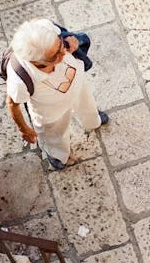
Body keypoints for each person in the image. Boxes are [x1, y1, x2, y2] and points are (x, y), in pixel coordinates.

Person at [6, 19, 108, 170]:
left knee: (88, 105)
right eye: (55, 55)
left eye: (60, 44)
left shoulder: (45, 29)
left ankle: (93, 121)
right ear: (36, 62)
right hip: (51, 112)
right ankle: (58, 156)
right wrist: (23, 128)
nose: (64, 52)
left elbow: (64, 37)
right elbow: (12, 103)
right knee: (55, 135)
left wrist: (68, 42)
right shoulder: (19, 79)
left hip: (77, 86)